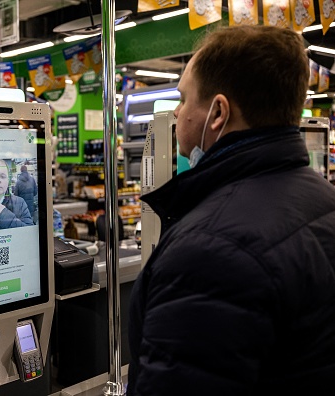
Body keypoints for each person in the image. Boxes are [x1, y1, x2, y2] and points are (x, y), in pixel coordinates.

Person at [128, 25, 335, 395]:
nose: (178, 113)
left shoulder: (208, 250)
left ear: (218, 112)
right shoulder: (323, 200)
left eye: (184, 98)